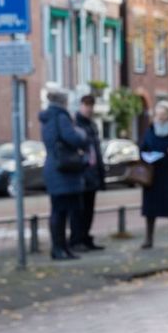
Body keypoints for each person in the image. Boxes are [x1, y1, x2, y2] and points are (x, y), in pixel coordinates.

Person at [40, 86, 88, 261]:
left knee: (59, 210)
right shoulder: (61, 117)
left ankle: (61, 248)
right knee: (61, 211)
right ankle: (59, 249)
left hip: (54, 168)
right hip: (64, 169)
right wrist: (81, 134)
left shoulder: (47, 118)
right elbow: (73, 138)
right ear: (64, 101)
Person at [139, 101, 168, 249]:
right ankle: (148, 239)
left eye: (163, 114)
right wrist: (145, 155)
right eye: (158, 114)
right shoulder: (150, 130)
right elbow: (142, 148)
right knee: (150, 209)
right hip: (152, 176)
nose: (160, 117)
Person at [70, 94, 106, 252]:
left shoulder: (92, 125)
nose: (89, 108)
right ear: (80, 105)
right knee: (78, 209)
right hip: (81, 174)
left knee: (89, 209)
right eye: (86, 105)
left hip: (93, 174)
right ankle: (76, 239)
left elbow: (96, 151)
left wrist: (100, 173)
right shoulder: (74, 124)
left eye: (91, 105)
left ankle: (85, 237)